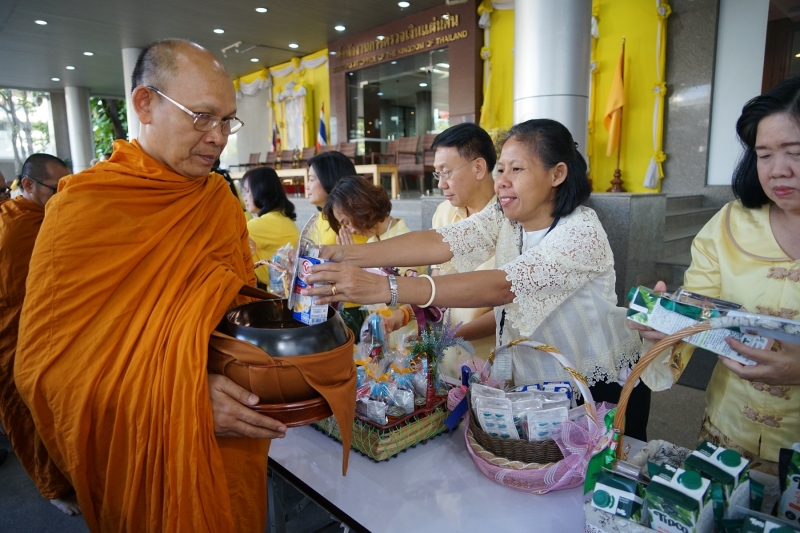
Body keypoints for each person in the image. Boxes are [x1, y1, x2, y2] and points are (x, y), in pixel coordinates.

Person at [14, 40, 288, 533]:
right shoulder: (84, 208)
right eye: (202, 117)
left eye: (227, 120)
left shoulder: (219, 204)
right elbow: (46, 370)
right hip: (143, 447)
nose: (219, 137)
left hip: (230, 443)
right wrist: (180, 398)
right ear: (145, 104)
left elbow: (236, 318)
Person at [305, 118, 651, 440]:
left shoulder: (581, 232)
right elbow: (441, 242)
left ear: (557, 174)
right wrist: (345, 254)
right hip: (540, 387)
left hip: (597, 386)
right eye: (501, 169)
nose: (502, 180)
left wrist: (387, 288)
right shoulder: (506, 218)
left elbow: (502, 285)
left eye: (516, 169)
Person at [631, 76, 800, 474]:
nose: (779, 171)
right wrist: (669, 322)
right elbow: (700, 302)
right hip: (730, 429)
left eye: (795, 152)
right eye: (764, 155)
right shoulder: (730, 223)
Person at [0, 154, 77, 515]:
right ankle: (53, 487)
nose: (63, 194)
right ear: (28, 185)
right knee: (29, 416)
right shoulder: (17, 227)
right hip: (13, 338)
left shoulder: (45, 217)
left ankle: (69, 473)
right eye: (56, 188)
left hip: (48, 333)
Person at [428, 123, 498, 378]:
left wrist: (455, 335)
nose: (441, 185)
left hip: (492, 363)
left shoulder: (513, 218)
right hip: (447, 361)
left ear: (479, 167)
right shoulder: (444, 214)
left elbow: (511, 309)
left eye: (446, 172)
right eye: (438, 174)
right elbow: (438, 280)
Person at [322, 175, 426, 338]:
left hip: (406, 336)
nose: (350, 230)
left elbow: (409, 297)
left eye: (347, 222)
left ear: (359, 208)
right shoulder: (371, 241)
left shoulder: (404, 240)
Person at [242, 166, 300, 286]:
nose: (245, 198)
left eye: (248, 191)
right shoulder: (281, 217)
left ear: (260, 190)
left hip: (277, 294)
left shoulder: (260, 225)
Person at [305, 151, 369, 246]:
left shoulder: (351, 224)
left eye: (311, 180)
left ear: (329, 179)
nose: (307, 186)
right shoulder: (321, 217)